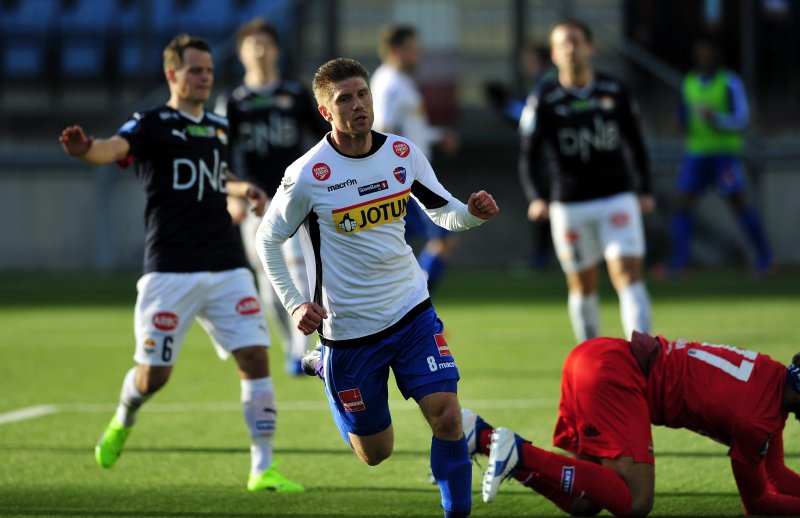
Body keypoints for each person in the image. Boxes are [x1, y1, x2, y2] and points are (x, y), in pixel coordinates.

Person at [58, 34, 303, 493]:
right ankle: (123, 416)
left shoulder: (215, 126)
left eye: (208, 70)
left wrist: (240, 188)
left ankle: (262, 467)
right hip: (170, 268)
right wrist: (83, 148)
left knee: (254, 356)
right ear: (172, 74)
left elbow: (216, 174)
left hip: (226, 263)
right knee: (155, 376)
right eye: (195, 70)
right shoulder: (151, 124)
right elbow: (111, 148)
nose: (204, 77)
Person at [255, 57, 499, 517]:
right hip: (349, 333)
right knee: (376, 453)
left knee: (447, 414)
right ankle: (327, 366)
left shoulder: (401, 154)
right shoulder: (308, 174)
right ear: (326, 112)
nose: (358, 105)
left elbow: (442, 210)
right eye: (344, 99)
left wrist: (471, 213)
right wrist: (294, 304)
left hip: (411, 311)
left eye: (362, 94)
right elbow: (266, 239)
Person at [466, 332, 800, 516]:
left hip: (595, 356)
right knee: (637, 502)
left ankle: (481, 435)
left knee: (586, 501)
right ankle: (521, 455)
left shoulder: (772, 374)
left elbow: (777, 475)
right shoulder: (757, 421)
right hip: (615, 375)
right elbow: (757, 504)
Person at [520, 19, 654, 342]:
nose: (571, 49)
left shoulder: (615, 90)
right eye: (563, 43)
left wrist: (645, 190)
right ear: (553, 54)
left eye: (576, 41)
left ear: (590, 47)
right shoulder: (543, 99)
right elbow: (527, 155)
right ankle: (591, 358)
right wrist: (537, 197)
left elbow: (636, 143)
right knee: (582, 283)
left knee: (627, 275)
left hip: (617, 196)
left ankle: (645, 361)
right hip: (569, 204)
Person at [214, 18, 328, 375]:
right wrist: (232, 195)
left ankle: (301, 351)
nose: (260, 51)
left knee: (300, 269)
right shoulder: (232, 102)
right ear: (241, 53)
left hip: (294, 195)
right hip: (255, 200)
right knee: (268, 279)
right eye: (253, 45)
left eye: (266, 44)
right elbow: (220, 155)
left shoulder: (294, 94)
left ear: (277, 50)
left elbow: (325, 138)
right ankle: (290, 343)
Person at [663, 38, 773, 277]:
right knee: (682, 203)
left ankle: (765, 258)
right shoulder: (689, 82)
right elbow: (684, 115)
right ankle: (680, 262)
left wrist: (717, 120)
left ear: (716, 54)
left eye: (707, 52)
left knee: (738, 203)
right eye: (699, 52)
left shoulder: (729, 81)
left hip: (724, 153)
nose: (703, 56)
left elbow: (742, 118)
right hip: (696, 154)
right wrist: (677, 122)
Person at [370, 24, 460, 293]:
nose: (419, 55)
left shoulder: (401, 82)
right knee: (445, 235)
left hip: (410, 177)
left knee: (393, 252)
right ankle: (418, 303)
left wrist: (436, 136)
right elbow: (383, 130)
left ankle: (402, 306)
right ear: (397, 51)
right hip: (405, 181)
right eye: (413, 50)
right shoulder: (389, 84)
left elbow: (410, 131)